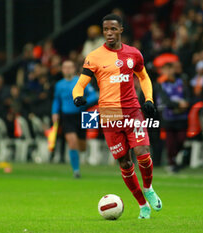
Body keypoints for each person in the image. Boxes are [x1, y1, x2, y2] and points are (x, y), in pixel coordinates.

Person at [72, 14, 162, 219]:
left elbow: (144, 77)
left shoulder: (134, 54)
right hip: (109, 116)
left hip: (132, 111)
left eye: (113, 29)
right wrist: (78, 96)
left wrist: (149, 99)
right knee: (125, 163)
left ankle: (148, 187)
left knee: (143, 152)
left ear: (121, 30)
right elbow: (80, 84)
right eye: (106, 30)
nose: (109, 33)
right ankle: (142, 205)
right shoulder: (94, 57)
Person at [52, 60, 98, 178]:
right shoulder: (59, 85)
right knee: (72, 143)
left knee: (82, 147)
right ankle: (76, 171)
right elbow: (57, 100)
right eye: (65, 67)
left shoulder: (81, 81)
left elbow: (94, 95)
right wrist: (54, 112)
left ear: (74, 69)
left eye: (70, 67)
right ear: (62, 70)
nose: (67, 69)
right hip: (66, 117)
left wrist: (84, 102)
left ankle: (83, 158)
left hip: (82, 115)